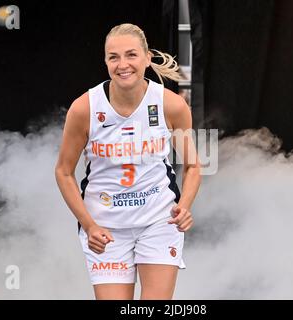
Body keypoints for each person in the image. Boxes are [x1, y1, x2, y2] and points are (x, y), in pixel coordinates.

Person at [54, 23, 201, 300]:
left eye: (131, 55)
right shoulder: (85, 108)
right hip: (105, 226)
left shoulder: (171, 105)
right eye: (114, 57)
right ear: (106, 61)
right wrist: (89, 225)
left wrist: (184, 206)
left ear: (147, 58)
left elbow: (193, 166)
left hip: (158, 220)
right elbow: (63, 172)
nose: (123, 64)